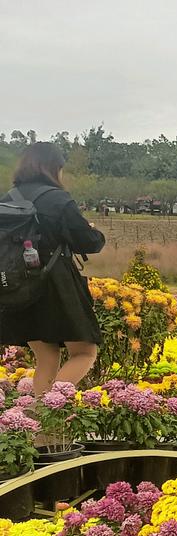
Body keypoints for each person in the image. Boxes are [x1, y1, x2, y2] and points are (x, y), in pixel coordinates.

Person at [0, 142, 106, 399]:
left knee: (46, 358)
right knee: (84, 352)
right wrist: (94, 231)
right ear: (53, 168)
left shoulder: (8, 199)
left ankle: (39, 422)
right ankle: (49, 407)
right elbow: (88, 242)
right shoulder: (57, 199)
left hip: (17, 288)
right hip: (55, 286)